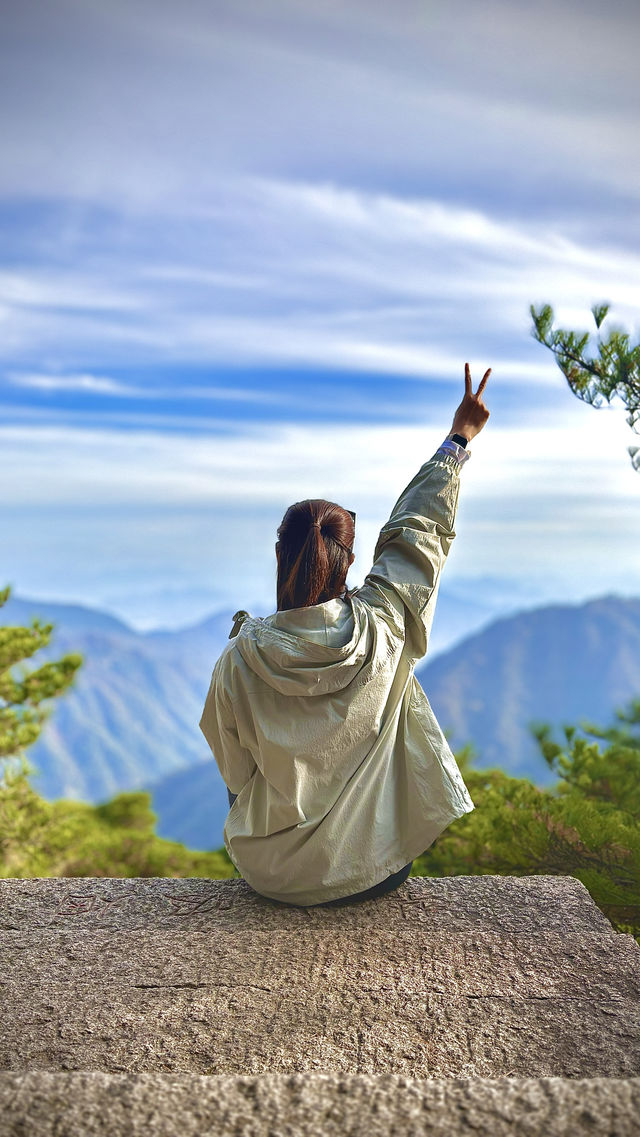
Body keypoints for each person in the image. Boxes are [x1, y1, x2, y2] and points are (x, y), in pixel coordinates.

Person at [200, 363, 491, 907]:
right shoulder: (384, 628)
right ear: (350, 560)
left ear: (281, 555)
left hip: (273, 878)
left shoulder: (239, 660)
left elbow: (236, 775)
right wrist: (457, 440)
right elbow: (415, 538)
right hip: (375, 871)